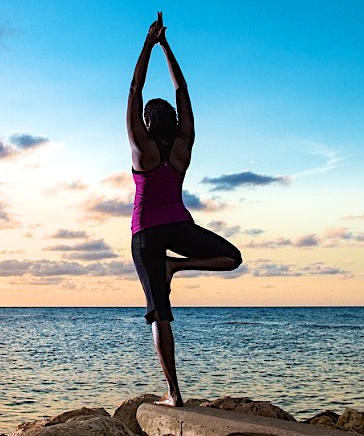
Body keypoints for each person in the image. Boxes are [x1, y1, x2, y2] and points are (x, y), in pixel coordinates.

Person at [127, 12, 242, 407]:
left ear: (145, 122)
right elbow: (183, 89)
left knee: (161, 314)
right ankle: (177, 265)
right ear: (175, 121)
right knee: (232, 257)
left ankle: (174, 395)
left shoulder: (141, 147)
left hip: (144, 235)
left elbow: (135, 87)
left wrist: (147, 42)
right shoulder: (183, 145)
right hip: (177, 225)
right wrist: (166, 46)